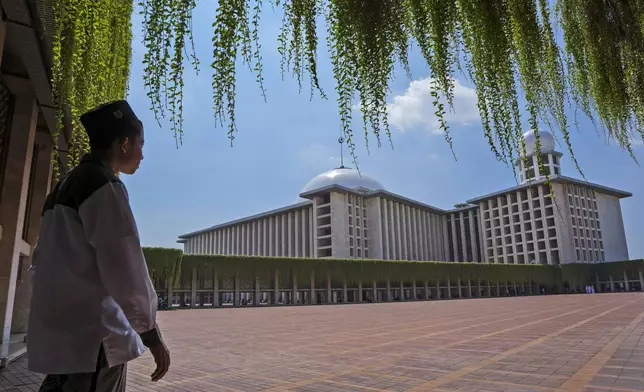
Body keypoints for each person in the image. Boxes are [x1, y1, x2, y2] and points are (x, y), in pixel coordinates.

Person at [27, 101, 170, 391]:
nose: (142, 154)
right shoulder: (104, 185)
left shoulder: (65, 186)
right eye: (141, 144)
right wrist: (151, 335)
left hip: (63, 337)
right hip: (94, 340)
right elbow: (126, 269)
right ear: (125, 143)